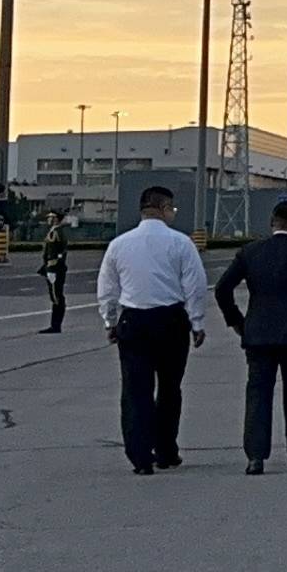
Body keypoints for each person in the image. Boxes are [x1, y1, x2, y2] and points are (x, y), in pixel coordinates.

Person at [216, 198, 287, 475]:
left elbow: (222, 289)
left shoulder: (250, 251)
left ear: (272, 222)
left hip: (257, 333)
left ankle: (256, 456)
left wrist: (237, 321)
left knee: (258, 393)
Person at [98, 185, 211, 475]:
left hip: (134, 321)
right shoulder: (181, 243)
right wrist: (196, 322)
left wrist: (110, 321)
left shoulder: (119, 244)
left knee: (136, 391)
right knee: (170, 389)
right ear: (163, 208)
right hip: (171, 321)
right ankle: (165, 451)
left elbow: (108, 288)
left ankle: (140, 457)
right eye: (172, 209)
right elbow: (195, 285)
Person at [38, 222, 70, 332]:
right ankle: (55, 324)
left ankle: (56, 325)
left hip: (54, 268)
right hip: (51, 266)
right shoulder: (53, 231)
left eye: (51, 217)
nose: (49, 219)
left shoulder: (57, 232)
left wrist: (54, 266)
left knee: (57, 296)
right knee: (55, 296)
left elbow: (60, 251)